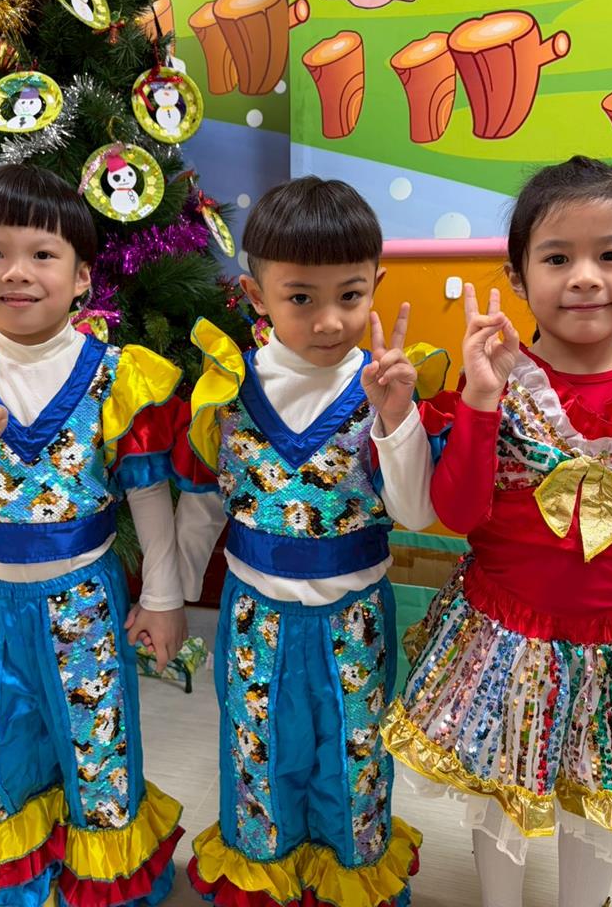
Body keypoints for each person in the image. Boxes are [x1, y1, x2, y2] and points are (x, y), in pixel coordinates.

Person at [0, 164, 188, 907]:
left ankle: (107, 885)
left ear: (83, 276)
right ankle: (26, 885)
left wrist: (163, 600)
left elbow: (149, 499)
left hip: (84, 602)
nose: (17, 272)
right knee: (0, 744)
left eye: (43, 254)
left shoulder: (118, 378)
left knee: (97, 747)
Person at [381, 156, 612, 907]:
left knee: (598, 792)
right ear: (517, 277)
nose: (584, 278)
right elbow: (458, 512)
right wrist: (479, 397)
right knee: (498, 784)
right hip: (503, 633)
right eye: (557, 258)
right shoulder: (500, 386)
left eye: (610, 255)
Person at [174, 176, 441, 907]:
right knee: (258, 754)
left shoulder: (388, 384)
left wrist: (397, 419)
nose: (329, 321)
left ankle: (350, 876)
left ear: (376, 283)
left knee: (354, 757)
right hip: (254, 618)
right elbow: (200, 505)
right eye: (300, 297)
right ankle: (264, 873)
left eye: (350, 296)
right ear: (255, 294)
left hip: (355, 620)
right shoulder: (226, 393)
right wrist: (169, 600)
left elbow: (414, 512)